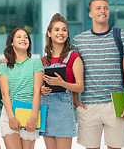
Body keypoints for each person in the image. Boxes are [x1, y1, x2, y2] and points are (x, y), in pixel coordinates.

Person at [72, 0, 124, 149]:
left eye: (106, 8)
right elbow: (74, 74)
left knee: (115, 147)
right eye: (98, 8)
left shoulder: (122, 36)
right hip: (88, 104)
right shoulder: (78, 41)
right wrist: (75, 100)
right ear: (90, 13)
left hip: (115, 103)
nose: (103, 11)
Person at [40, 13, 84, 149]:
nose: (61, 33)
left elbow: (80, 87)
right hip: (46, 110)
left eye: (64, 30)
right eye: (57, 29)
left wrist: (62, 83)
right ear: (49, 33)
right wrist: (42, 90)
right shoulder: (43, 61)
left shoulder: (74, 57)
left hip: (64, 110)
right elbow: (39, 86)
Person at [0, 28, 44, 149]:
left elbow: (37, 92)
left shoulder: (36, 63)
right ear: (12, 42)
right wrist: (11, 118)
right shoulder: (4, 65)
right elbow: (4, 94)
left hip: (30, 113)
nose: (23, 39)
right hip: (9, 113)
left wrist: (34, 118)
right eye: (19, 36)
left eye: (26, 37)